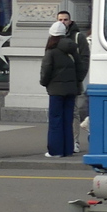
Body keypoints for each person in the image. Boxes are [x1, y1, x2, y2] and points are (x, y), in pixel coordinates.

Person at [40, 20, 82, 158]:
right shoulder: (72, 49)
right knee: (67, 120)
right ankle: (68, 149)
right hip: (71, 90)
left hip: (56, 90)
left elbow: (46, 71)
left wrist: (44, 83)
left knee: (55, 120)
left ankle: (55, 151)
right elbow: (80, 69)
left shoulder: (51, 51)